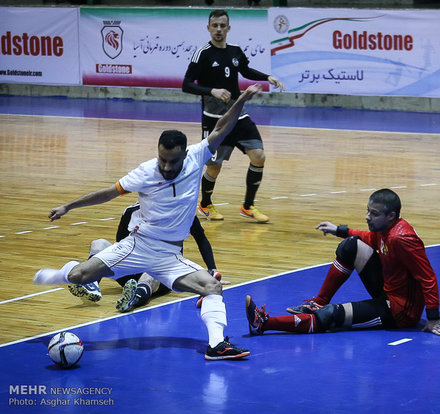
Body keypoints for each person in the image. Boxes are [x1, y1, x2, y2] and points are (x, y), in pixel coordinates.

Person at [34, 84, 263, 361]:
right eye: (162, 159)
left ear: (184, 155)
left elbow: (222, 128)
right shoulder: (145, 172)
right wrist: (68, 206)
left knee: (212, 287)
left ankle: (216, 346)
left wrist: (241, 98)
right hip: (138, 245)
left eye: (172, 161)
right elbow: (108, 192)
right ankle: (61, 275)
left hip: (169, 255)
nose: (166, 167)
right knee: (79, 276)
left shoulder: (197, 155)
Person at [245, 189, 440, 336]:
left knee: (330, 316)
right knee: (351, 244)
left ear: (391, 216)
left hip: (399, 312)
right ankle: (319, 301)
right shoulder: (385, 230)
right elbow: (367, 237)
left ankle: (263, 324)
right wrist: (340, 230)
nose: (367, 217)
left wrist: (432, 317)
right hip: (388, 290)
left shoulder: (402, 239)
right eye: (368, 211)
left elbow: (428, 278)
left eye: (374, 214)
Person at [182, 9, 285, 223]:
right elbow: (186, 84)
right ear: (208, 28)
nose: (218, 29)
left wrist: (268, 77)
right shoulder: (202, 53)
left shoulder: (236, 51)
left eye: (222, 26)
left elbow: (245, 71)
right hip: (214, 119)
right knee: (214, 166)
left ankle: (248, 206)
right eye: (215, 26)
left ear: (228, 28)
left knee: (259, 156)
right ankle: (205, 203)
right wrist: (212, 90)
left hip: (238, 114)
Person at [69, 201, 225, 313]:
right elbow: (119, 246)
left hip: (162, 274)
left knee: (151, 271)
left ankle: (134, 299)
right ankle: (92, 286)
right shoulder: (131, 212)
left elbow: (201, 239)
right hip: (131, 270)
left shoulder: (182, 213)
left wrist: (212, 269)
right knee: (99, 243)